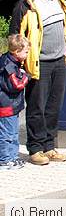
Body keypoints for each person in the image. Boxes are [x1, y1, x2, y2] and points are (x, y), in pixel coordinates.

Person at [10, 0, 66, 165]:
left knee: (54, 106)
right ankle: (35, 148)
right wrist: (22, 60)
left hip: (59, 61)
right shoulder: (26, 6)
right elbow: (15, 36)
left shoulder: (60, 1)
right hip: (39, 64)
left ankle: (49, 146)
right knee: (37, 107)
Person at [0, 35, 29, 169]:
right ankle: (5, 159)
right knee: (7, 134)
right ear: (16, 52)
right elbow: (16, 85)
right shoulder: (8, 66)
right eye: (26, 52)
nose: (28, 54)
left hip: (12, 105)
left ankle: (13, 157)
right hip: (6, 106)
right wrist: (26, 76)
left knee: (14, 133)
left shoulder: (12, 62)